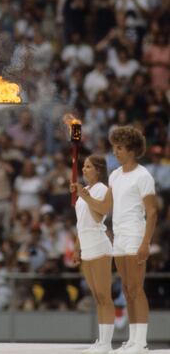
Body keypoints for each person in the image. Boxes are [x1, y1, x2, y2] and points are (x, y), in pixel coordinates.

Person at [74, 126, 157, 354]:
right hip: (119, 236)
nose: (116, 152)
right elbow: (104, 207)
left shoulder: (143, 175)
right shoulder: (114, 175)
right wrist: (86, 196)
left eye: (119, 148)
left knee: (136, 289)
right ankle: (132, 340)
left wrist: (146, 242)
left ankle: (141, 342)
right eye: (114, 148)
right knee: (127, 290)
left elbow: (152, 212)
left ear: (132, 150)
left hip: (135, 234)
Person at [71, 155, 114, 354]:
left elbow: (99, 215)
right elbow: (81, 223)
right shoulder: (85, 191)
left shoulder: (102, 189)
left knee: (105, 296)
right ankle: (101, 340)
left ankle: (107, 342)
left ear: (98, 169)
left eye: (88, 166)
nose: (84, 169)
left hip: (99, 245)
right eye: (83, 166)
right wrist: (77, 248)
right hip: (86, 246)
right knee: (97, 297)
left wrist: (84, 196)